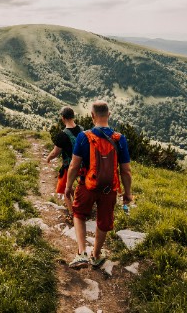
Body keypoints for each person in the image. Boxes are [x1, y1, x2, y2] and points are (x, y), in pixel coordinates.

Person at [64, 100, 133, 269]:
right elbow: (126, 170)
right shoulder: (119, 139)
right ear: (109, 115)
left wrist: (68, 186)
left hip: (87, 186)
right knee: (103, 222)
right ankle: (95, 255)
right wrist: (128, 193)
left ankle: (81, 253)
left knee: (79, 214)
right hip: (109, 189)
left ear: (92, 116)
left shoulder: (84, 137)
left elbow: (74, 165)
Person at [46, 107, 83, 217]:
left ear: (63, 118)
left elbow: (55, 152)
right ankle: (79, 204)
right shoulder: (82, 129)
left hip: (70, 166)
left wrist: (48, 158)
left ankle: (72, 214)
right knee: (74, 186)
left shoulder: (62, 135)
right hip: (84, 164)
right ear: (73, 116)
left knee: (65, 188)